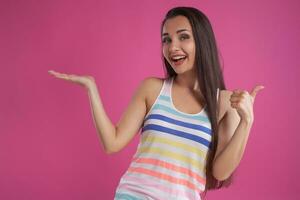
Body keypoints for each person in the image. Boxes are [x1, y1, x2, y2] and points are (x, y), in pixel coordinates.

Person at [48, 6, 264, 200]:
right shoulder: (153, 89)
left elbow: (221, 172)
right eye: (166, 39)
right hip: (134, 195)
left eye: (183, 37)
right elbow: (112, 143)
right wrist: (91, 89)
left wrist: (247, 121)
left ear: (202, 41)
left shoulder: (226, 103)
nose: (172, 47)